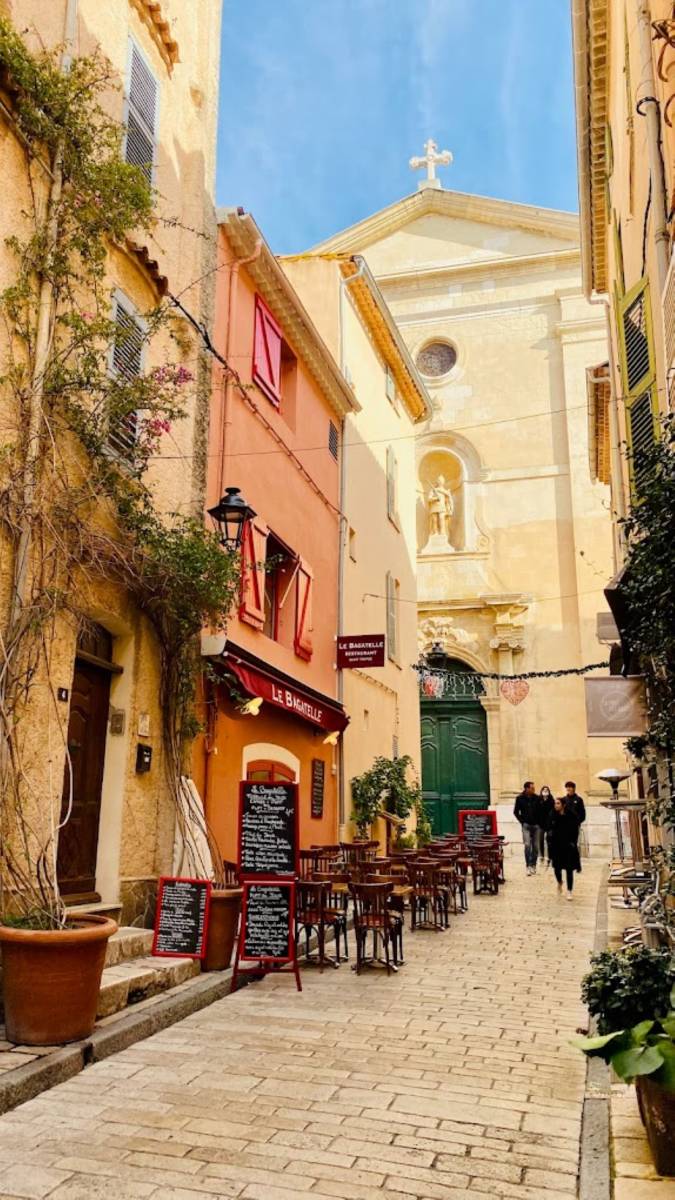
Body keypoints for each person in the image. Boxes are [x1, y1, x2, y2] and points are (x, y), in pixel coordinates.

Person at [549, 796, 581, 900]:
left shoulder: (571, 816)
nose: (556, 805)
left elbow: (575, 830)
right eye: (555, 803)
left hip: (568, 845)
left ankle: (569, 890)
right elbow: (549, 828)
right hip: (556, 846)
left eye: (558, 803)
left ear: (563, 805)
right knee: (557, 868)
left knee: (569, 869)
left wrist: (573, 842)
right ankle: (559, 882)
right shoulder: (552, 815)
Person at [514, 781, 541, 875]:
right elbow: (516, 812)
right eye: (532, 788)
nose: (534, 790)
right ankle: (528, 866)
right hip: (526, 825)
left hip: (536, 826)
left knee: (536, 847)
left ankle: (534, 865)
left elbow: (542, 811)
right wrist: (522, 821)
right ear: (526, 789)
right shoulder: (519, 798)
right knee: (527, 845)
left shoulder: (537, 798)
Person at [538, 786, 555, 868]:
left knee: (549, 841)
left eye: (547, 790)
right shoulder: (539, 800)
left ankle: (549, 858)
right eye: (544, 790)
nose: (545, 791)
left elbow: (554, 812)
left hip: (549, 825)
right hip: (541, 824)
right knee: (540, 840)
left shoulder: (551, 800)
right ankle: (541, 857)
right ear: (541, 791)